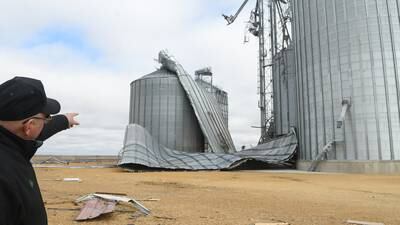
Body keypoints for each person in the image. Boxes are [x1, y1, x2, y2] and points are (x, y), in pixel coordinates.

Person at [0, 76, 79, 225]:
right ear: (29, 126)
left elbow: (39, 131)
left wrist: (64, 120)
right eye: (46, 118)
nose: (47, 122)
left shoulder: (12, 141)